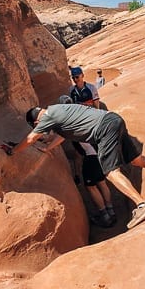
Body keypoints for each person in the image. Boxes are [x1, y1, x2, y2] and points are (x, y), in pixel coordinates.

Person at [8, 104, 145, 229]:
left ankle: (142, 205)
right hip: (113, 119)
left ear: (35, 123)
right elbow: (63, 136)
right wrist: (47, 147)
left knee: (110, 171)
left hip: (103, 129)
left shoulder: (47, 117)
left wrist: (14, 151)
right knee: (136, 159)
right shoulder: (59, 110)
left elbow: (31, 138)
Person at [58, 94, 116, 227]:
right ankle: (111, 211)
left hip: (91, 157)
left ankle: (105, 216)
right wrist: (77, 173)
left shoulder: (69, 120)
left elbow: (60, 137)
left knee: (91, 187)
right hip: (100, 153)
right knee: (102, 183)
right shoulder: (81, 112)